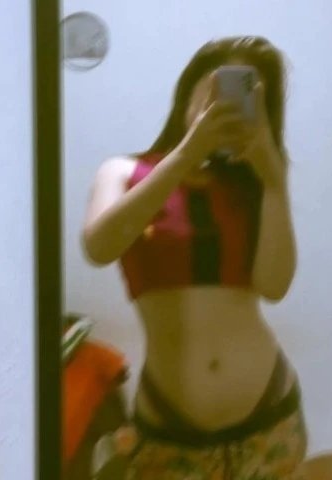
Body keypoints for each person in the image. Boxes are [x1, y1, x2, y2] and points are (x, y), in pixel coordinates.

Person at [83, 35, 308, 479]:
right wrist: (189, 151)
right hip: (169, 430)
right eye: (218, 89)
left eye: (248, 96)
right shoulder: (124, 172)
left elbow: (274, 286)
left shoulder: (255, 186)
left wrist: (275, 181)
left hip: (269, 416)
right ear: (187, 93)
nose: (227, 107)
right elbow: (100, 246)